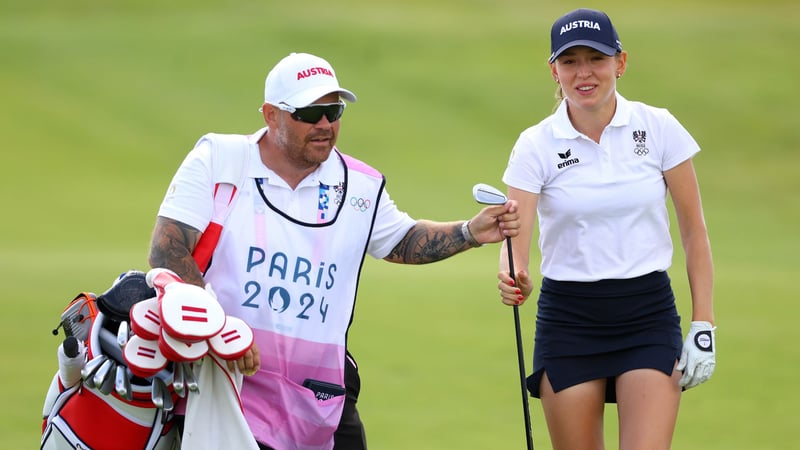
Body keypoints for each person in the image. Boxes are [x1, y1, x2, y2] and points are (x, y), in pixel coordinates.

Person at [148, 51, 519, 450]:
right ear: (271, 115)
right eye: (310, 113)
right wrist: (222, 331)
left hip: (319, 392)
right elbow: (167, 251)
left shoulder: (360, 184)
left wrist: (469, 232)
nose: (325, 124)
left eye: (334, 110)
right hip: (224, 381)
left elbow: (400, 239)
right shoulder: (218, 160)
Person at [496, 8, 716, 450]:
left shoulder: (657, 128)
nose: (584, 72)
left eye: (595, 59)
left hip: (647, 314)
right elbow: (513, 242)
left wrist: (703, 324)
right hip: (569, 318)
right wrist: (512, 273)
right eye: (570, 61)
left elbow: (694, 233)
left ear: (620, 62)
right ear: (553, 70)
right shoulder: (536, 144)